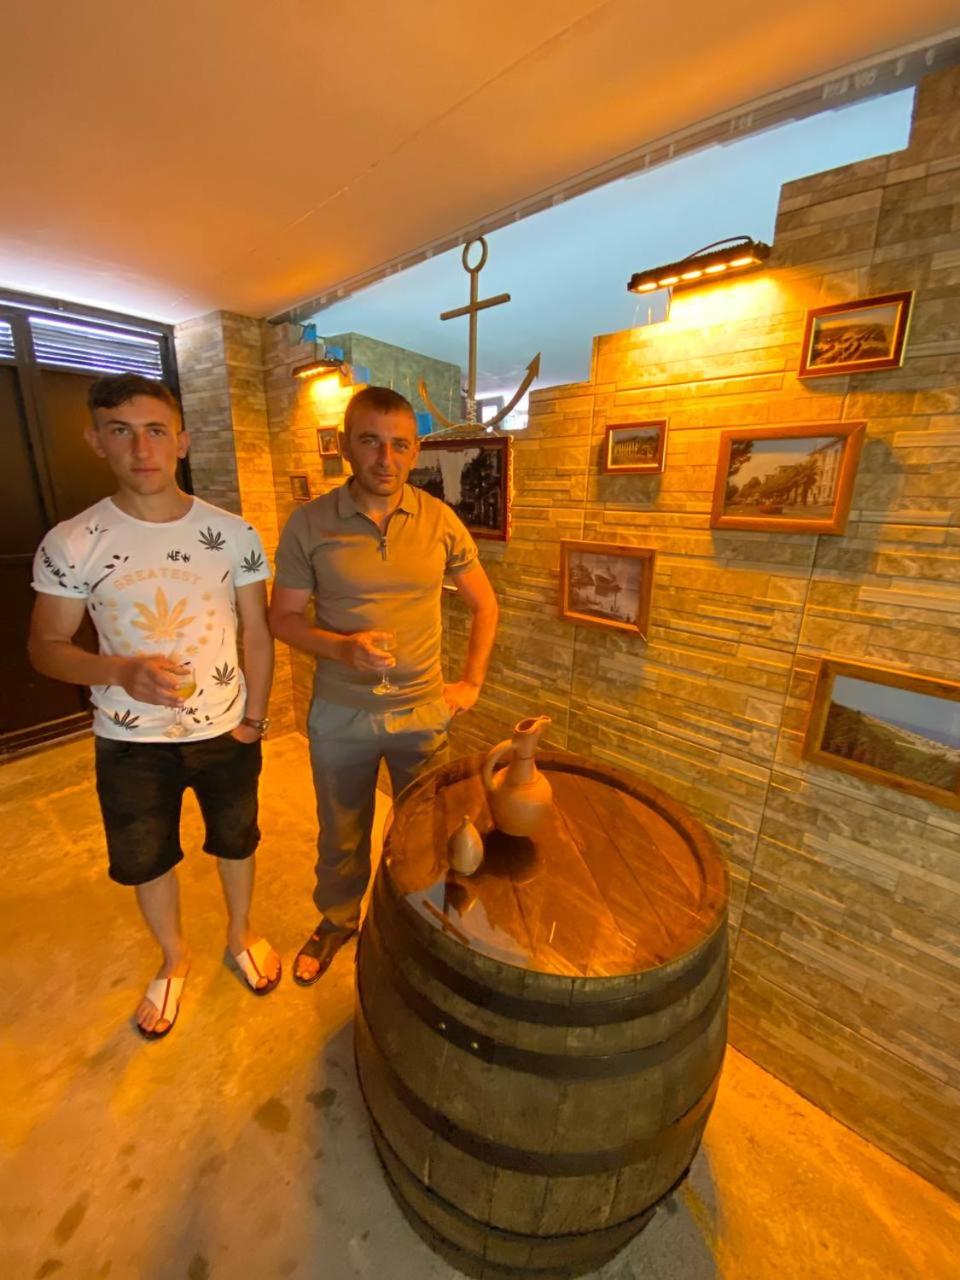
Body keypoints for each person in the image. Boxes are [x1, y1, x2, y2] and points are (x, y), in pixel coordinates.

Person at [28, 373, 281, 1039]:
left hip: (227, 729)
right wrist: (120, 671)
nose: (141, 449)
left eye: (155, 431)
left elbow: (257, 631)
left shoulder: (232, 533)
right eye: (121, 431)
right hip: (129, 740)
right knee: (148, 857)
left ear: (182, 441)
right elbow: (46, 648)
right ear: (96, 441)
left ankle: (240, 932)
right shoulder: (73, 541)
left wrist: (255, 719)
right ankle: (174, 958)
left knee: (237, 839)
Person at [269, 386, 499, 984]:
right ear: (347, 446)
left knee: (425, 831)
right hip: (340, 712)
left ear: (415, 450)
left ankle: (419, 921)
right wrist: (342, 648)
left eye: (399, 445)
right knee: (341, 831)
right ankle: (338, 919)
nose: (385, 458)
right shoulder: (310, 523)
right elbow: (282, 618)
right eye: (370, 442)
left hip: (422, 711)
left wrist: (469, 684)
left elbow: (485, 605)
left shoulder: (439, 520)